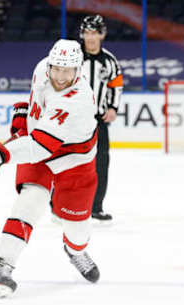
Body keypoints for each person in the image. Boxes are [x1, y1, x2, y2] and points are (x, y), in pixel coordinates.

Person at [0, 39, 100, 298]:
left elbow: (40, 146)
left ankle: (75, 251)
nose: (60, 77)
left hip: (74, 161)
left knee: (77, 230)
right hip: (41, 148)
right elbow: (37, 104)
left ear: (79, 71)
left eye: (68, 71)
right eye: (57, 69)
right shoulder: (42, 69)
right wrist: (24, 117)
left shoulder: (77, 100)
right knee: (30, 202)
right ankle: (2, 267)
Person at [79, 15, 123, 222]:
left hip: (99, 120)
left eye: (94, 32)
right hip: (74, 119)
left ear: (102, 34)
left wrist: (113, 107)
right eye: (87, 33)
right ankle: (58, 205)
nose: (90, 37)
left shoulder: (110, 61)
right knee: (67, 161)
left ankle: (96, 207)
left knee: (101, 163)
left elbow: (116, 86)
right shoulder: (73, 56)